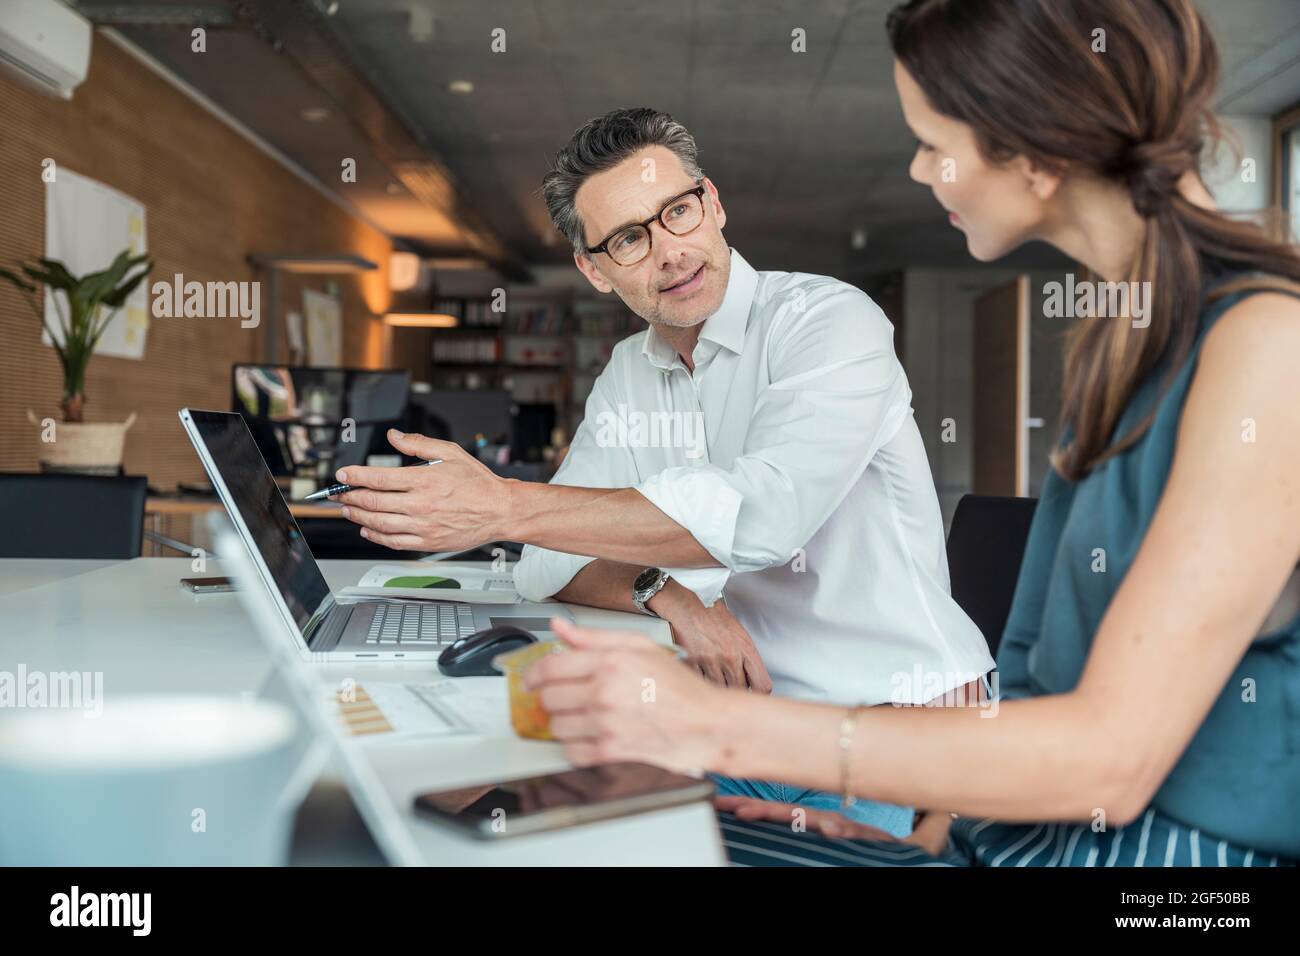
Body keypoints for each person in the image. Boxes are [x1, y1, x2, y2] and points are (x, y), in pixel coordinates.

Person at [519, 0, 1300, 867]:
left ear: (1031, 145)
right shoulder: (1127, 339)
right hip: (1008, 831)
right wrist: (944, 823)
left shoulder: (1264, 347)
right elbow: (1065, 694)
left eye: (936, 141)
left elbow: (1109, 763)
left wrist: (719, 725)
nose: (922, 172)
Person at [330, 107, 993, 836]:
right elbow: (544, 561)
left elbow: (763, 517)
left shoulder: (829, 322)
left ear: (712, 204)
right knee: (455, 802)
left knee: (555, 828)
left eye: (677, 212)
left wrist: (504, 506)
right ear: (594, 269)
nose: (670, 252)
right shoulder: (628, 370)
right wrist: (663, 591)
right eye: (627, 239)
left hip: (888, 730)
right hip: (742, 720)